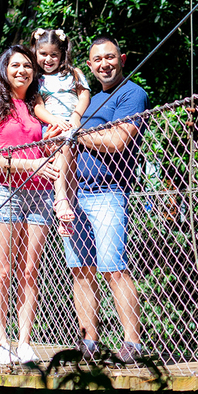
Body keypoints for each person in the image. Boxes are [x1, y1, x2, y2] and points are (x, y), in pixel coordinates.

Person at [0, 44, 61, 365]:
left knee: (30, 271)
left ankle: (24, 343)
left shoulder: (36, 106)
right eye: (15, 66)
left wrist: (50, 144)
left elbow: (45, 150)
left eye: (27, 65)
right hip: (4, 192)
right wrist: (30, 166)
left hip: (39, 195)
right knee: (3, 270)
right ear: (4, 70)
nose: (22, 70)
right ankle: (1, 343)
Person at [65, 35, 146, 363]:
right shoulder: (89, 101)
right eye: (98, 60)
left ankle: (133, 343)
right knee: (80, 269)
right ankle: (89, 342)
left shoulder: (132, 94)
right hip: (75, 195)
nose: (105, 64)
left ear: (122, 58)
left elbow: (118, 141)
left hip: (109, 193)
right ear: (90, 65)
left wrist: (79, 135)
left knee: (113, 267)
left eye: (110, 57)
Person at [30, 28, 90, 237]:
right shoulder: (37, 80)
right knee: (63, 150)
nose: (49, 59)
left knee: (71, 166)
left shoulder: (74, 73)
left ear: (62, 54)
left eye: (54, 54)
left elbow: (84, 96)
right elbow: (38, 107)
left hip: (73, 124)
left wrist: (75, 116)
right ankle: (61, 199)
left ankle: (67, 209)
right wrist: (56, 121)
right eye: (43, 54)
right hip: (53, 126)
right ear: (36, 52)